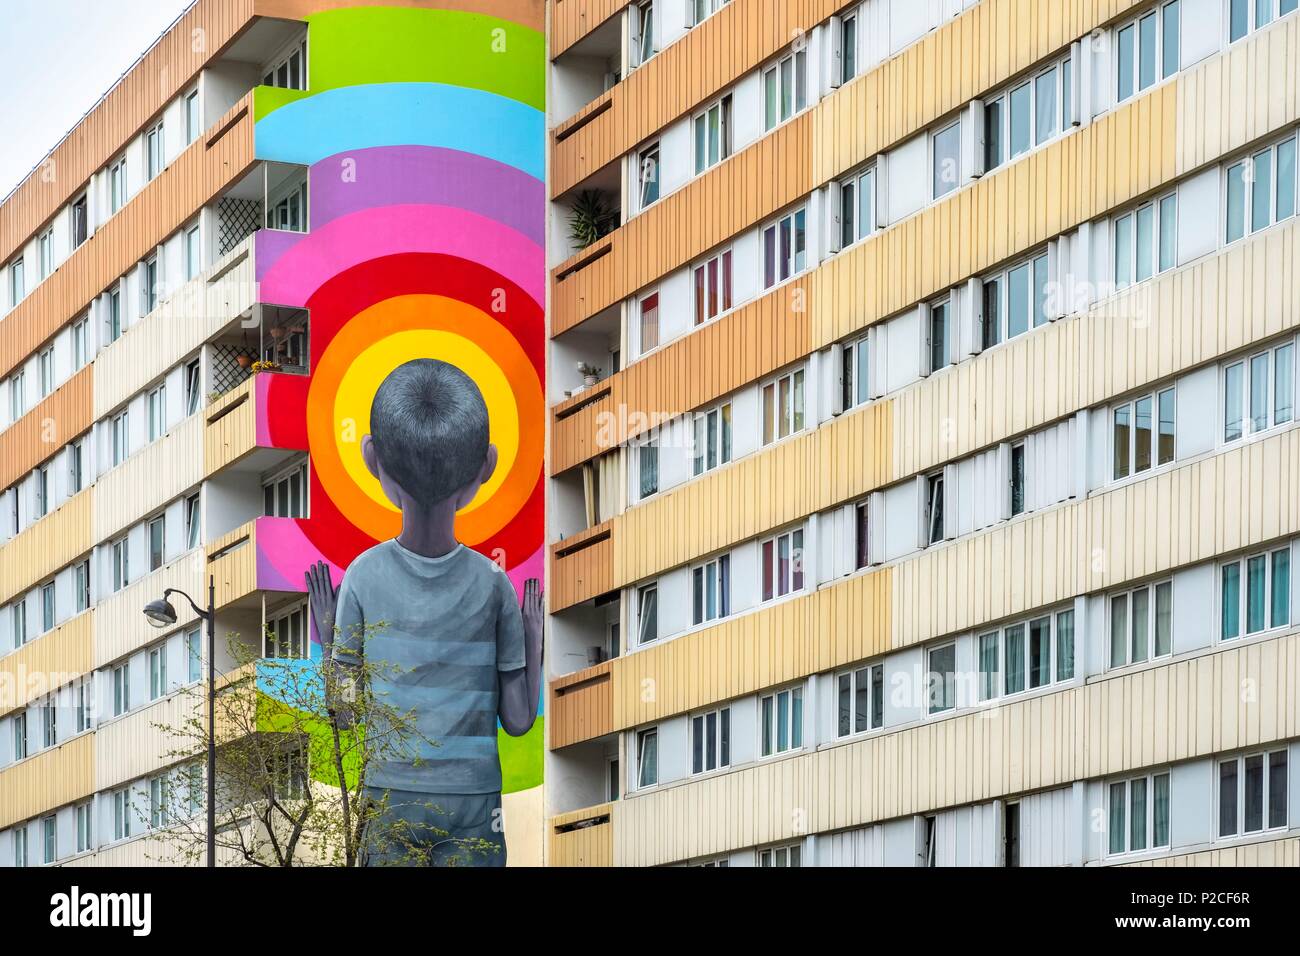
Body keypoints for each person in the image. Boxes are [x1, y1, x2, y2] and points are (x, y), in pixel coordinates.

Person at [305, 358, 542, 866]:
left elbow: (345, 714)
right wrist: (533, 643)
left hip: (390, 795)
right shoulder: (495, 586)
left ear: (374, 461)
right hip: (474, 800)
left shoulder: (363, 577)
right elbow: (519, 721)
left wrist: (330, 643)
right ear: (486, 467)